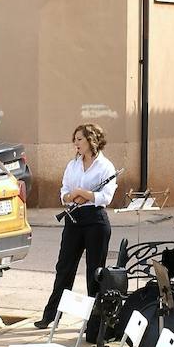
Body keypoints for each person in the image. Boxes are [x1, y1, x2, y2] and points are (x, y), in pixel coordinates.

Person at [36, 122, 118, 330]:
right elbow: (64, 193)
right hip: (73, 219)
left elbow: (105, 197)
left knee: (95, 273)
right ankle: (51, 316)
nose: (76, 144)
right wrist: (71, 195)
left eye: (79, 139)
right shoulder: (72, 165)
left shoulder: (105, 166)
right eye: (75, 140)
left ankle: (95, 326)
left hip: (95, 220)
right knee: (64, 268)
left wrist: (83, 193)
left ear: (91, 141)